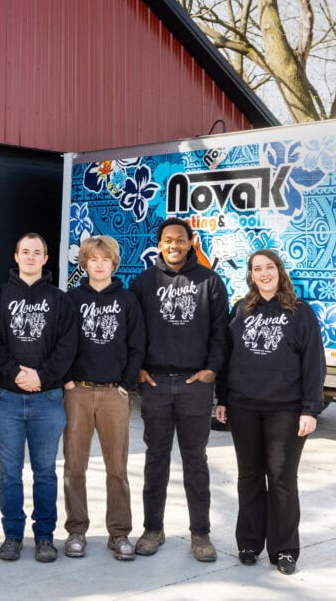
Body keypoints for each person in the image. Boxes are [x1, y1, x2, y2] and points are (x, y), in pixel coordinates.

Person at [215, 249, 326, 576]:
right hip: (243, 407)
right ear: (250, 275)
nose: (264, 273)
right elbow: (228, 358)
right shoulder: (241, 310)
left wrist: (310, 408)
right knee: (249, 477)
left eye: (269, 267)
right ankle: (249, 543)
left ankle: (285, 549)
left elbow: (314, 363)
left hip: (285, 410)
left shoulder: (300, 312)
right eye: (257, 269)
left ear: (279, 271)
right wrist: (223, 399)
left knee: (281, 479)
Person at [129, 217, 229, 562]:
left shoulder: (209, 281)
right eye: (168, 240)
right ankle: (152, 529)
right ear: (160, 244)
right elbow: (133, 330)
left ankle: (200, 534)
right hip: (155, 384)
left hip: (194, 386)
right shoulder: (143, 282)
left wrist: (211, 371)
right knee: (155, 459)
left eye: (181, 239)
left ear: (190, 243)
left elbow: (220, 332)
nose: (174, 245)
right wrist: (138, 369)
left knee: (195, 461)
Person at [0, 233, 77, 563]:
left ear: (46, 258)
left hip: (47, 399)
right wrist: (16, 373)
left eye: (37, 252)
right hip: (6, 399)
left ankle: (44, 537)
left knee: (45, 472)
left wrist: (42, 375)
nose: (31, 257)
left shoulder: (60, 300)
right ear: (16, 255)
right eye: (25, 251)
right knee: (9, 473)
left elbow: (67, 346)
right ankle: (12, 535)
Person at [62, 235, 145, 561]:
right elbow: (60, 342)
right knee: (74, 466)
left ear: (114, 263)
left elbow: (137, 345)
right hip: (78, 393)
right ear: (84, 263)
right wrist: (67, 380)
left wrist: (126, 384)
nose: (99, 264)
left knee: (117, 468)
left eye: (105, 259)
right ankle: (76, 531)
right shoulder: (71, 299)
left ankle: (119, 533)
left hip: (114, 393)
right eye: (93, 259)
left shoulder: (127, 300)